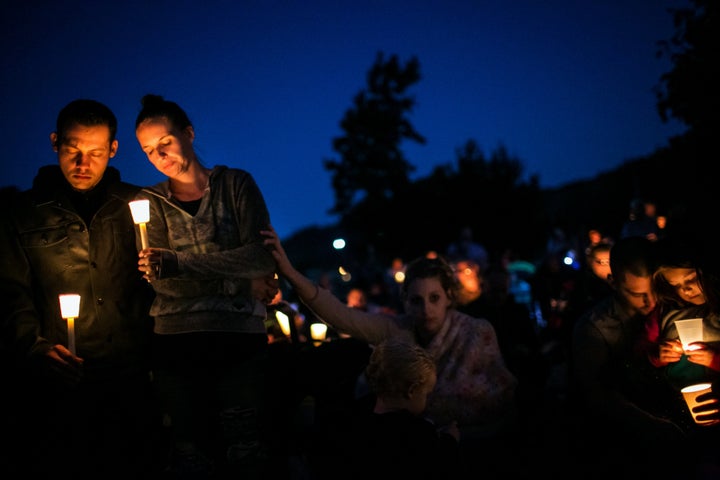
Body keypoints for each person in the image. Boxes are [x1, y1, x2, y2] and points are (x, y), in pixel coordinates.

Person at [262, 225, 518, 471]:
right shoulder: (397, 331)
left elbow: (499, 400)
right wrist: (291, 273)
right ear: (406, 301)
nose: (426, 309)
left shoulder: (476, 332)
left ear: (449, 297)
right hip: (411, 452)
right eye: (417, 300)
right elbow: (341, 315)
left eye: (434, 298)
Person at [0, 99, 159, 477]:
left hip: (132, 378)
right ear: (55, 142)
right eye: (73, 151)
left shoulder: (140, 204)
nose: (83, 165)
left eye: (95, 153)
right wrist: (33, 347)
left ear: (113, 150)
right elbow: (9, 290)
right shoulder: (22, 213)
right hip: (59, 383)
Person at [132, 94, 279, 479]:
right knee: (191, 457)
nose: (158, 155)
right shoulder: (149, 204)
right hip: (176, 345)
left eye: (165, 142)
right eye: (148, 150)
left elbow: (262, 258)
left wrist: (181, 262)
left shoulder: (236, 185)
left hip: (239, 341)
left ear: (189, 133)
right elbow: (163, 285)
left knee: (245, 450)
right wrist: (243, 285)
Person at [570, 236, 689, 477]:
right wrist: (654, 427)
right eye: (637, 294)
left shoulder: (672, 308)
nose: (650, 301)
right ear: (613, 282)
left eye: (654, 290)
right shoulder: (595, 329)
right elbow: (598, 397)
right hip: (624, 444)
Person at [312, 339, 461, 480]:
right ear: (412, 390)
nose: (427, 400)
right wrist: (451, 439)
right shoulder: (416, 434)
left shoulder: (348, 419)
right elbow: (438, 465)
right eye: (426, 394)